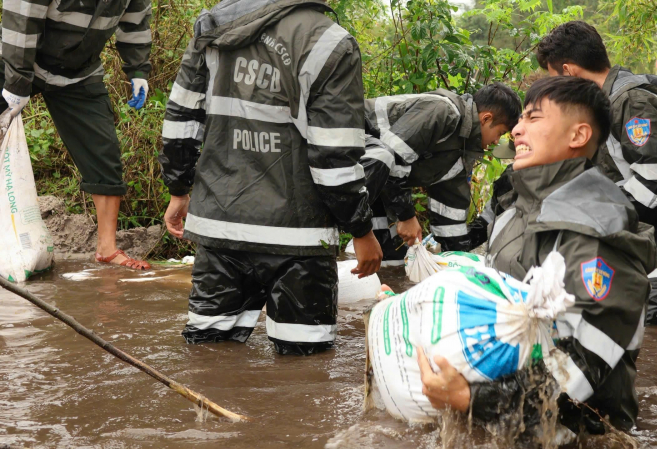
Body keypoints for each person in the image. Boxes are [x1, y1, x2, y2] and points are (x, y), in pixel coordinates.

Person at [417, 76, 657, 437]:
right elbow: (490, 303)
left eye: (533, 118)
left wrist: (477, 398)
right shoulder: (513, 209)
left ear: (577, 136)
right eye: (519, 121)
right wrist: (419, 313)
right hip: (505, 416)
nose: (516, 130)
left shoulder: (597, 230)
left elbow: (585, 366)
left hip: (578, 433)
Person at [159, 0, 382, 355]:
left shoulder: (215, 25)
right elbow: (334, 157)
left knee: (207, 360)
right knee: (305, 375)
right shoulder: (330, 41)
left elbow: (181, 121)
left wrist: (178, 188)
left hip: (220, 229)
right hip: (299, 239)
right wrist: (361, 230)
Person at [535, 21, 657, 325]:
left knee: (652, 352)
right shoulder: (611, 104)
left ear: (569, 71)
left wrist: (594, 221)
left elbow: (656, 181)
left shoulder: (631, 101)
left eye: (554, 81)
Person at [0, 0, 154, 269]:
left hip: (78, 73)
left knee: (103, 151)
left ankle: (107, 248)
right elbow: (21, 18)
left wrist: (138, 68)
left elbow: (136, 21)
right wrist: (16, 84)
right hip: (16, 58)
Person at [359, 83, 520, 262]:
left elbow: (451, 217)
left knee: (391, 261)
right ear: (486, 119)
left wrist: (458, 260)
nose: (496, 141)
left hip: (376, 182)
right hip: (349, 151)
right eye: (500, 133)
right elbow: (392, 160)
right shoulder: (443, 111)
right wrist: (407, 216)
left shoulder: (460, 153)